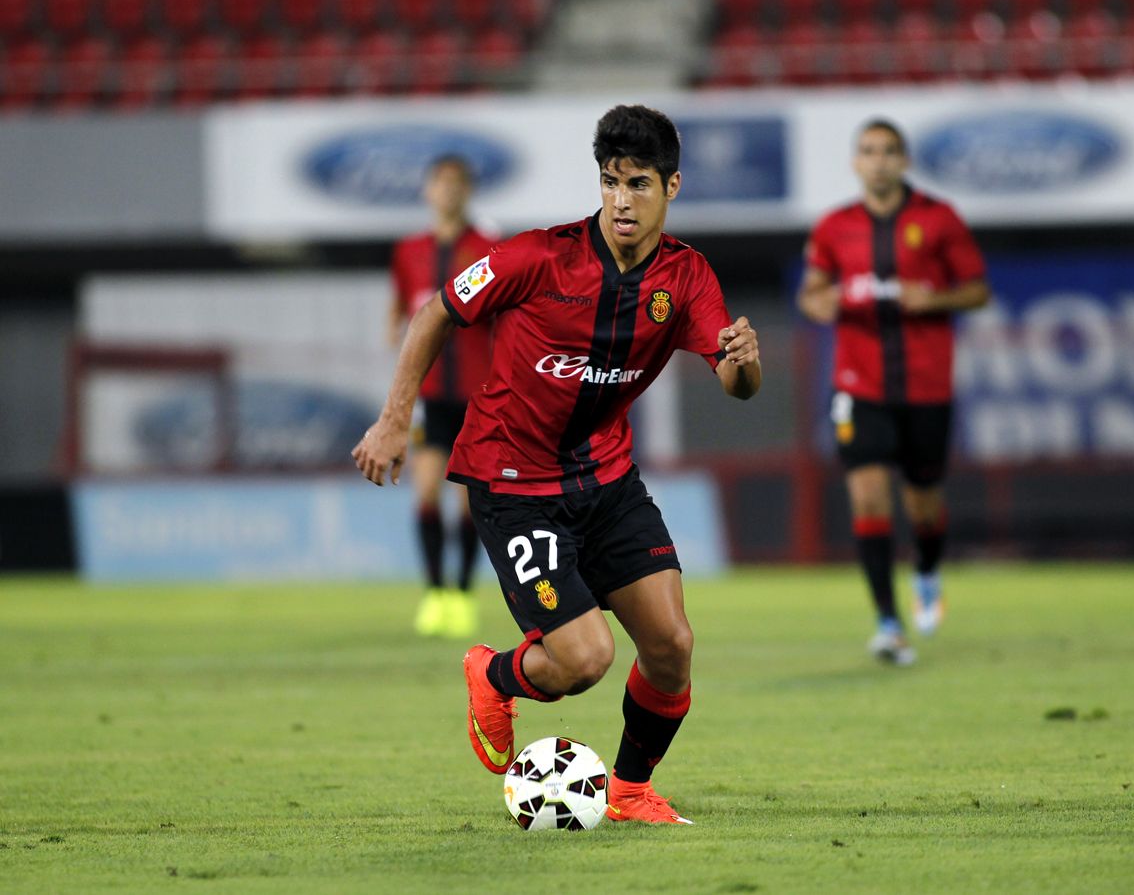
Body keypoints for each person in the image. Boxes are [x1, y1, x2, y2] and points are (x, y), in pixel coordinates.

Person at [354, 105, 761, 825]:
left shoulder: (687, 276)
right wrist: (395, 419)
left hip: (606, 478)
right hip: (513, 483)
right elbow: (436, 312)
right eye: (610, 182)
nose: (621, 200)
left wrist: (743, 364)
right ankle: (493, 671)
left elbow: (734, 382)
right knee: (584, 659)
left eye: (638, 183)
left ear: (672, 185)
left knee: (671, 644)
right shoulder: (538, 257)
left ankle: (630, 788)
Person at [797, 118, 990, 665]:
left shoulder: (939, 218)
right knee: (868, 496)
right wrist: (824, 304)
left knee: (923, 505)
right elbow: (810, 297)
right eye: (868, 151)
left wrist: (934, 299)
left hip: (926, 386)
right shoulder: (834, 227)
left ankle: (927, 572)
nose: (878, 160)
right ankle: (888, 622)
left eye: (888, 151)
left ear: (904, 161)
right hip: (859, 386)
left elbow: (977, 290)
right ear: (856, 163)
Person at [388, 154, 497, 639]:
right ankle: (435, 593)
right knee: (426, 490)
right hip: (432, 395)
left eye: (457, 183)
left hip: (479, 393)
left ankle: (463, 594)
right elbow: (400, 307)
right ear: (428, 191)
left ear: (467, 191)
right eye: (440, 182)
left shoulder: (489, 249)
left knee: (470, 502)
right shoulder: (409, 251)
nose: (448, 191)